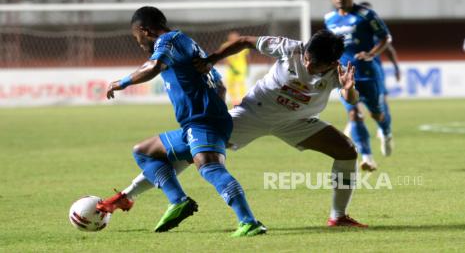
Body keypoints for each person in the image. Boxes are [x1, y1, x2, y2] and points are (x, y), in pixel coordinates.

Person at [99, 29, 368, 228]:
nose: (308, 65)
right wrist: (213, 58)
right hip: (252, 114)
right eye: (307, 58)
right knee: (195, 153)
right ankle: (126, 195)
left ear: (331, 64)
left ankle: (338, 216)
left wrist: (349, 89)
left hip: (297, 123)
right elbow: (244, 42)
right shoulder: (290, 48)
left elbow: (350, 100)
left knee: (346, 151)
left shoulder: (337, 73)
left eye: (315, 65)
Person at [98, 6, 266, 237]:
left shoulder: (169, 40)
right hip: (201, 122)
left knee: (210, 167)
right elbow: (220, 87)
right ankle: (178, 201)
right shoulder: (187, 43)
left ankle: (249, 222)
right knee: (144, 152)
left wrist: (121, 82)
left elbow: (154, 67)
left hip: (202, 121)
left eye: (137, 38)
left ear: (144, 30)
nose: (139, 44)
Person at [324, 0, 393, 171]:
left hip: (368, 73)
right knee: (354, 114)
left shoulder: (366, 15)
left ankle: (386, 132)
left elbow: (386, 37)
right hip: (345, 77)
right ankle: (368, 158)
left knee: (377, 114)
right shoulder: (329, 18)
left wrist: (371, 54)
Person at [343, 1, 401, 149]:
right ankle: (354, 125)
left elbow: (389, 49)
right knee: (354, 103)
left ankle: (384, 129)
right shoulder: (351, 31)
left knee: (381, 102)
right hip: (354, 71)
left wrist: (396, 67)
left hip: (374, 72)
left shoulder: (375, 33)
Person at [223, 31, 250, 105]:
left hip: (241, 68)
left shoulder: (243, 46)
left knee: (240, 84)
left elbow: (247, 57)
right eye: (232, 38)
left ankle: (242, 99)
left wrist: (248, 67)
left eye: (235, 37)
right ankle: (234, 100)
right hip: (231, 69)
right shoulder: (225, 46)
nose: (234, 39)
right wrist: (230, 67)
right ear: (229, 38)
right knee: (230, 84)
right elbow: (224, 58)